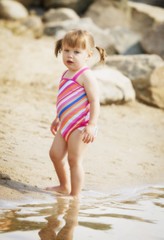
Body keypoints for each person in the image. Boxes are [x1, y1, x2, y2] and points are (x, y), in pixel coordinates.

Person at [46, 29, 106, 197]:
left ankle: (75, 196)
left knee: (74, 160)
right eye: (66, 50)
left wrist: (91, 125)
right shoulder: (66, 73)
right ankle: (64, 186)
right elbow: (66, 98)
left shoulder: (86, 75)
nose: (70, 55)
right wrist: (58, 118)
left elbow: (95, 101)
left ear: (88, 54)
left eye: (76, 52)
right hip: (65, 123)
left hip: (81, 126)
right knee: (55, 154)